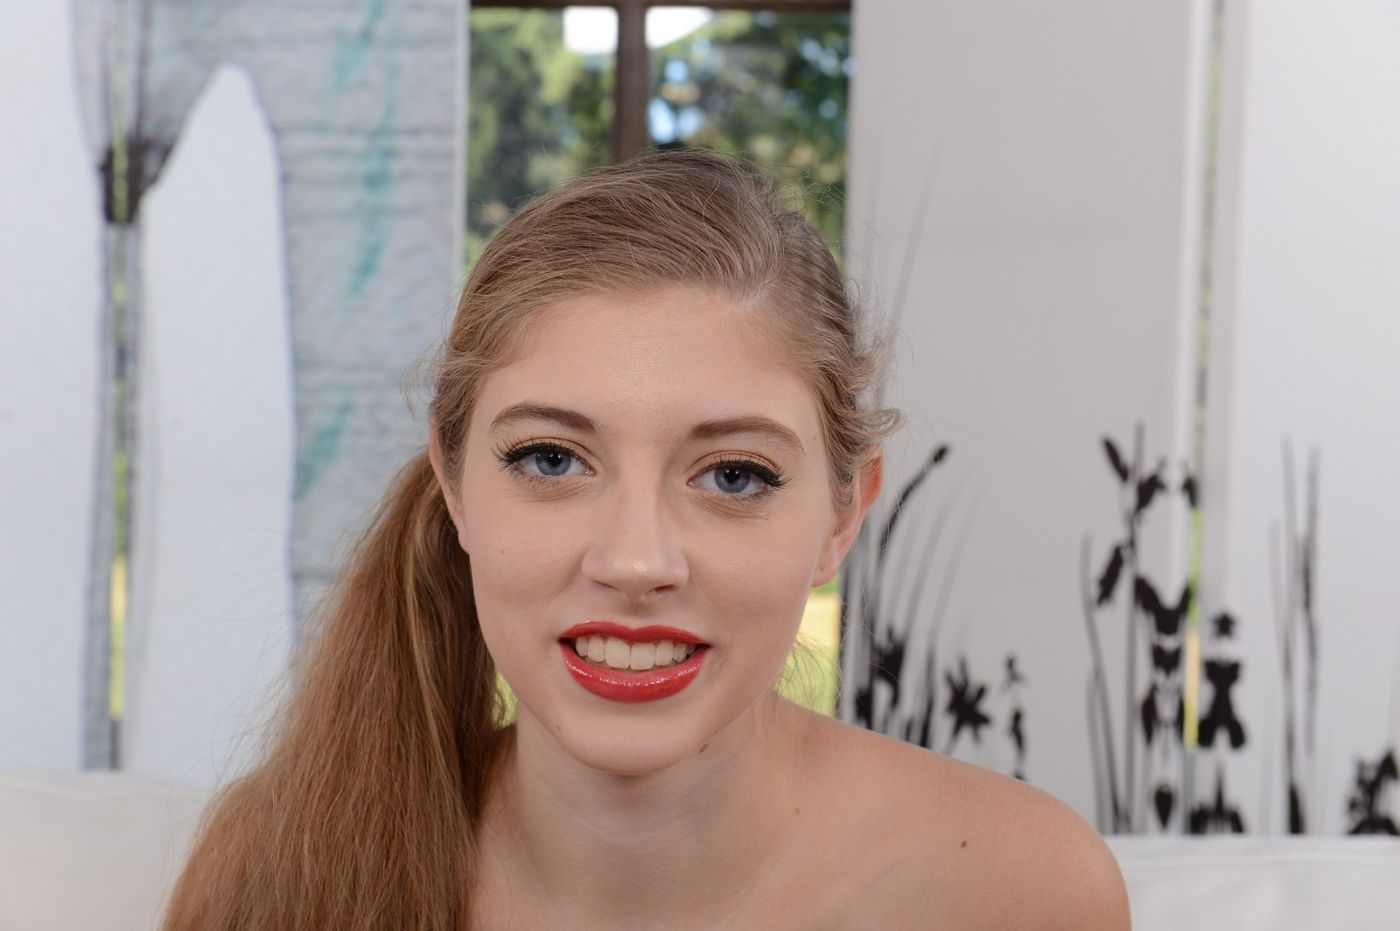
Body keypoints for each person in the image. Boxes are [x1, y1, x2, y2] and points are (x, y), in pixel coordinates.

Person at [161, 148, 1129, 930]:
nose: (634, 561)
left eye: (735, 475)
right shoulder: (265, 869)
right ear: (453, 483)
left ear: (842, 516)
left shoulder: (1020, 890)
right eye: (550, 459)